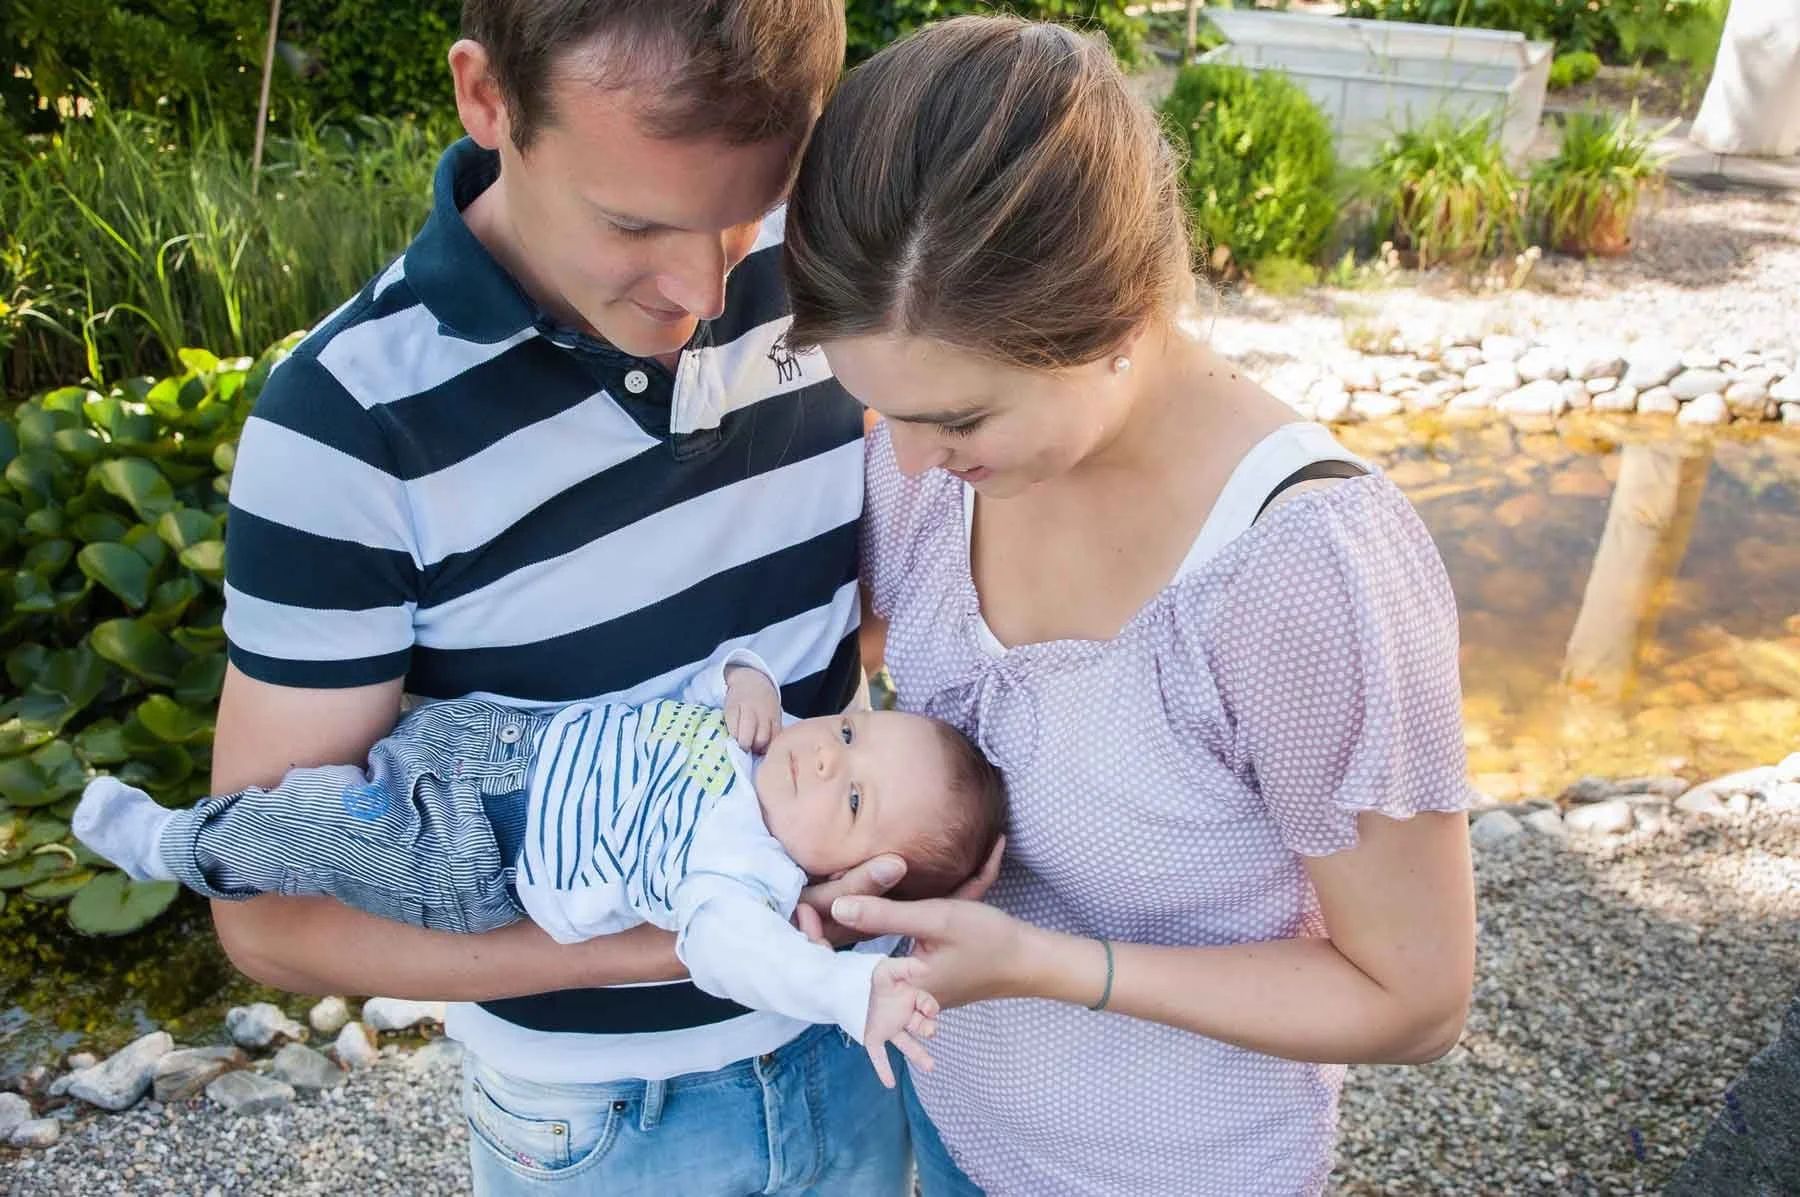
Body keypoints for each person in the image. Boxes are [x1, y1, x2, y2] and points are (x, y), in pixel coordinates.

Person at [208, 2, 975, 1191]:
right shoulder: (344, 425)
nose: (705, 292)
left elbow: (876, 584)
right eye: (633, 222)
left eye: (743, 216)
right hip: (599, 1123)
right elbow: (268, 908)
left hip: (857, 1053)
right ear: (486, 99)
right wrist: (699, 943)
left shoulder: (826, 265)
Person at [781, 16, 1479, 1196]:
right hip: (953, 1146)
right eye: (883, 410)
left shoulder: (1306, 573)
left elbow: (1414, 1002)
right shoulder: (927, 480)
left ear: (1114, 324)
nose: (901, 466)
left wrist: (1053, 967)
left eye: (957, 421)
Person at [75, 651, 1005, 1085]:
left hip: (473, 852)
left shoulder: (742, 879)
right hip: (493, 737)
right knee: (344, 771)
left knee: (317, 826)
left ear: (860, 871)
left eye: (851, 801)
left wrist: (848, 990)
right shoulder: (759, 746)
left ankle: (179, 845)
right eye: (850, 730)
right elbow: (697, 682)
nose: (830, 759)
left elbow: (748, 960)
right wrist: (746, 678)